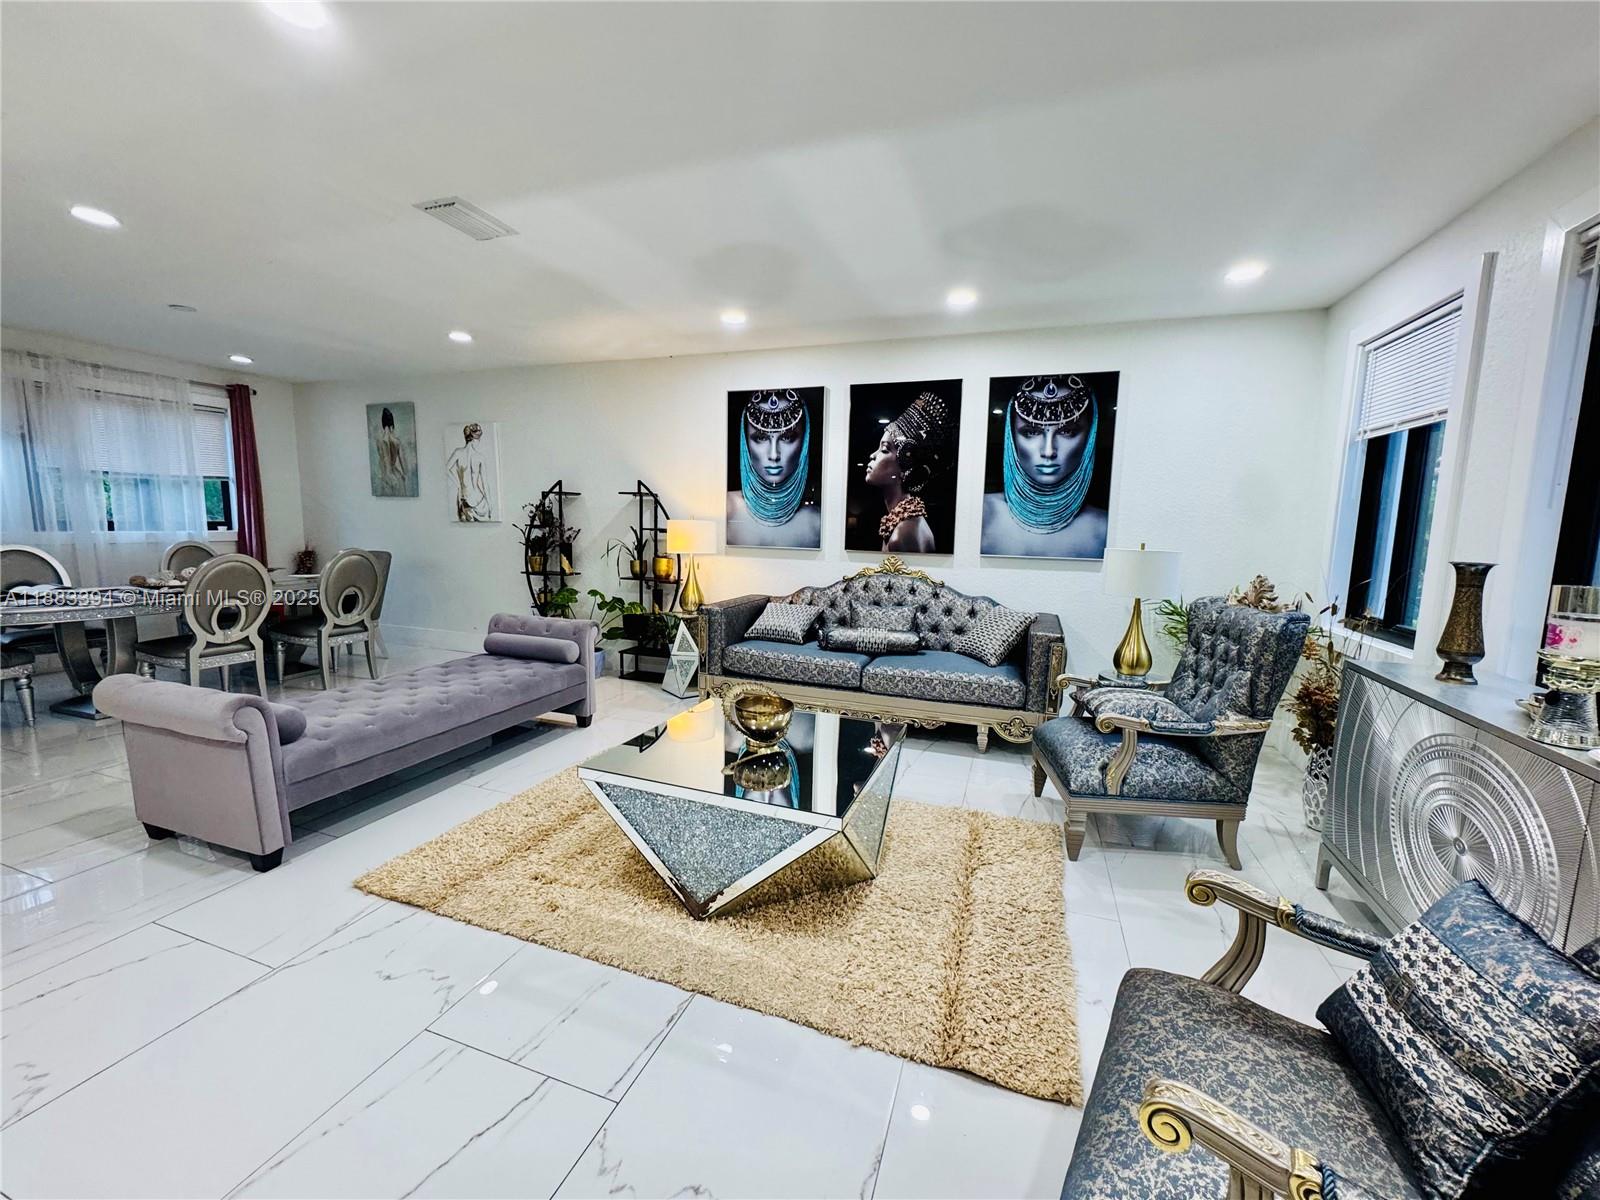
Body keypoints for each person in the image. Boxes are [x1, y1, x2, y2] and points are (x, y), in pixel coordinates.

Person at [981, 375, 1108, 558]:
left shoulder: (1104, 530)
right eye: (1031, 432)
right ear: (1012, 436)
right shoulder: (982, 515)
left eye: (1067, 431)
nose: (1048, 451)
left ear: (1089, 436)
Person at [726, 389, 820, 548]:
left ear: (804, 442)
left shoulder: (818, 522)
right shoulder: (726, 508)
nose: (774, 454)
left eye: (787, 437)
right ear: (746, 442)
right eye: (761, 438)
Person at [863, 390, 953, 553]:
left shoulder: (902, 534)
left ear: (906, 468)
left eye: (884, 450)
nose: (872, 455)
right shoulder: (904, 524)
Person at [445, 422, 491, 522]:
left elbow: (446, 469)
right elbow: (485, 484)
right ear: (475, 439)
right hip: (479, 500)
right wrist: (490, 505)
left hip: (464, 498)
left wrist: (458, 484)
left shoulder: (458, 452)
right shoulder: (480, 457)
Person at [375, 406, 409, 493]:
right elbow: (404, 467)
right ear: (392, 423)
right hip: (396, 478)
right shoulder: (397, 442)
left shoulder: (379, 442)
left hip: (386, 479)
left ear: (383, 423)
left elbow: (384, 463)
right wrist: (403, 475)